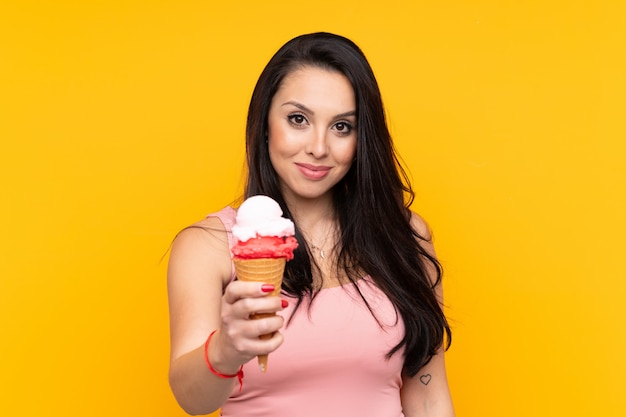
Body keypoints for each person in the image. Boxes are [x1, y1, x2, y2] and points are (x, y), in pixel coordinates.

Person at [167, 32, 455, 417]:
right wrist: (225, 349)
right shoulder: (209, 246)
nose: (319, 147)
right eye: (298, 119)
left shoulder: (404, 236)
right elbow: (193, 400)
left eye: (342, 127)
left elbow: (429, 396)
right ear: (265, 122)